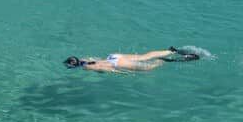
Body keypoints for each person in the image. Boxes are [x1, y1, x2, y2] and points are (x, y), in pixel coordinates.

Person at [64, 46, 199, 72]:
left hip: (116, 63)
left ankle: (167, 60)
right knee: (143, 56)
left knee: (148, 68)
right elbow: (98, 60)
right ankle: (170, 51)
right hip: (113, 56)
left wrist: (119, 72)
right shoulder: (85, 59)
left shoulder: (86, 67)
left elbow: (102, 67)